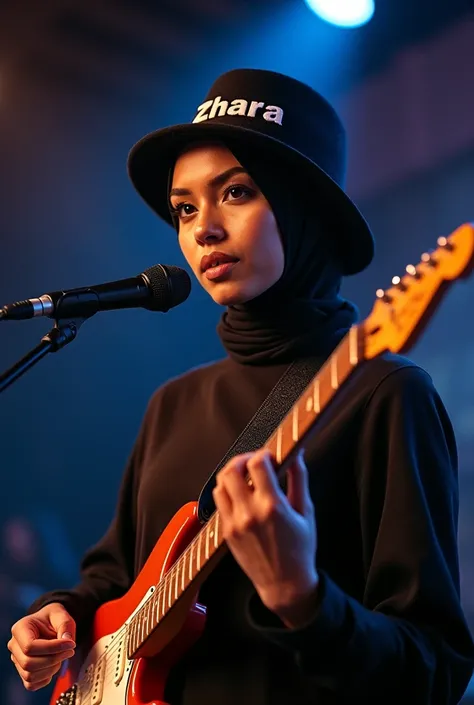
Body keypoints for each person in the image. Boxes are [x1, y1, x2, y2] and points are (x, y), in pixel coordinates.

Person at [7, 68, 474, 704]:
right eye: (185, 208)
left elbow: (436, 671)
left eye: (238, 192)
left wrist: (305, 601)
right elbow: (111, 576)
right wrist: (58, 614)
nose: (203, 229)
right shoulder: (173, 404)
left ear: (302, 210)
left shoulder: (386, 394)